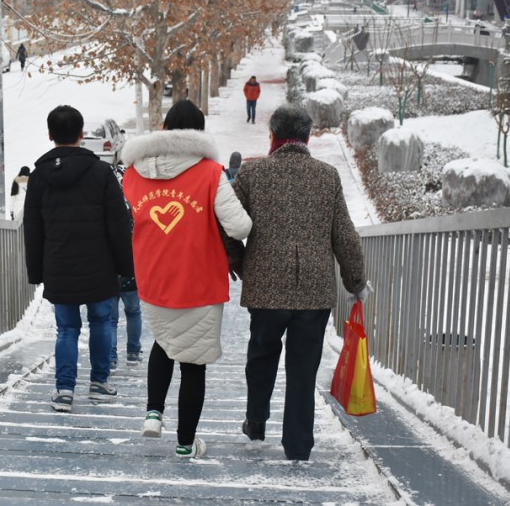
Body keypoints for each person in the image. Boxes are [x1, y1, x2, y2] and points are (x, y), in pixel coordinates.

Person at [230, 104, 367, 462]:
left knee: (261, 355)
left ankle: (256, 423)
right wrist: (356, 281)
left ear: (272, 136)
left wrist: (238, 262)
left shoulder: (251, 175)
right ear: (307, 137)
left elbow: (226, 223)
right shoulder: (327, 176)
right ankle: (298, 444)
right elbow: (345, 236)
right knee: (303, 368)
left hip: (265, 287)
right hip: (313, 290)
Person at [121, 100, 252, 458]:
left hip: (153, 276)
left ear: (165, 128)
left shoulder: (133, 172)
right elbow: (239, 225)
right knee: (193, 360)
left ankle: (153, 413)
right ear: (200, 132)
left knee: (165, 341)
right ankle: (184, 443)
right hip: (199, 279)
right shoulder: (211, 172)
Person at [24, 105, 134, 413]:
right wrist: (126, 267)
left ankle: (64, 390)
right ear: (82, 135)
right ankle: (99, 383)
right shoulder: (101, 172)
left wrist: (37, 272)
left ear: (50, 136)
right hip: (99, 264)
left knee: (67, 329)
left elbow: (33, 229)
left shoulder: (39, 177)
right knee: (101, 322)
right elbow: (118, 224)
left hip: (59, 264)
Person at [109, 162, 142, 369]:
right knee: (133, 311)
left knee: (110, 318)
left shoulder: (106, 205)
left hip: (110, 269)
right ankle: (133, 351)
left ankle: (111, 356)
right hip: (132, 267)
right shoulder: (135, 205)